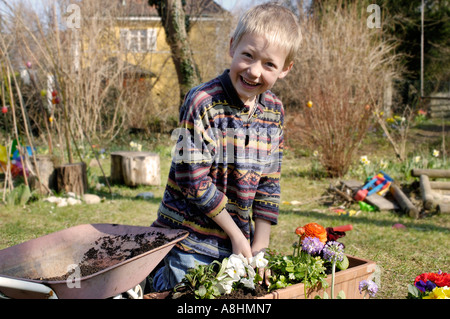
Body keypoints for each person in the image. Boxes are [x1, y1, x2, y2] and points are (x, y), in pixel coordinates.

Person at [151, 2, 302, 292]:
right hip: (188, 244)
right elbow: (192, 180)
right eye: (248, 56)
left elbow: (269, 182)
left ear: (285, 69)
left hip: (236, 246)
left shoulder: (274, 112)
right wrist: (237, 235)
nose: (254, 72)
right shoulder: (202, 102)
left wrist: (260, 248)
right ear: (232, 46)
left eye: (269, 64)